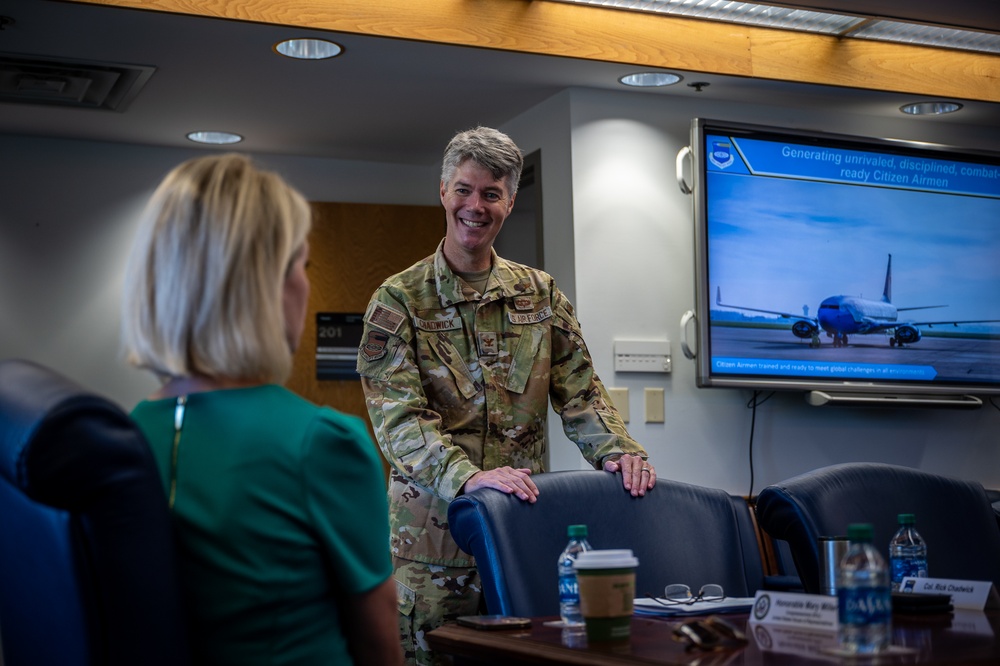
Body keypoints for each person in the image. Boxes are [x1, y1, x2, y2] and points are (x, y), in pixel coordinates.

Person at [356, 127, 657, 665]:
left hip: (521, 535)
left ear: (510, 202)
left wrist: (618, 450)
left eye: (491, 194)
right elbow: (399, 420)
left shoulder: (539, 294)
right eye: (465, 190)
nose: (476, 206)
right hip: (432, 551)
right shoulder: (399, 300)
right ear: (443, 191)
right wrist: (468, 478)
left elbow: (581, 391)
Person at [120, 153, 402, 666]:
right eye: (301, 265)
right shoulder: (322, 442)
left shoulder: (127, 434)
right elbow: (380, 647)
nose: (305, 285)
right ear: (261, 285)